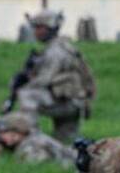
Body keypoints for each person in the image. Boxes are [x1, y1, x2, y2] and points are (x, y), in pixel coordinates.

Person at [8, 10, 97, 143]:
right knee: (65, 141)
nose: (36, 32)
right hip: (75, 102)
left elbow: (43, 81)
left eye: (39, 27)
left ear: (50, 29)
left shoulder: (55, 51)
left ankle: (29, 138)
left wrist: (19, 86)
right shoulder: (65, 47)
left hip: (67, 102)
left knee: (27, 94)